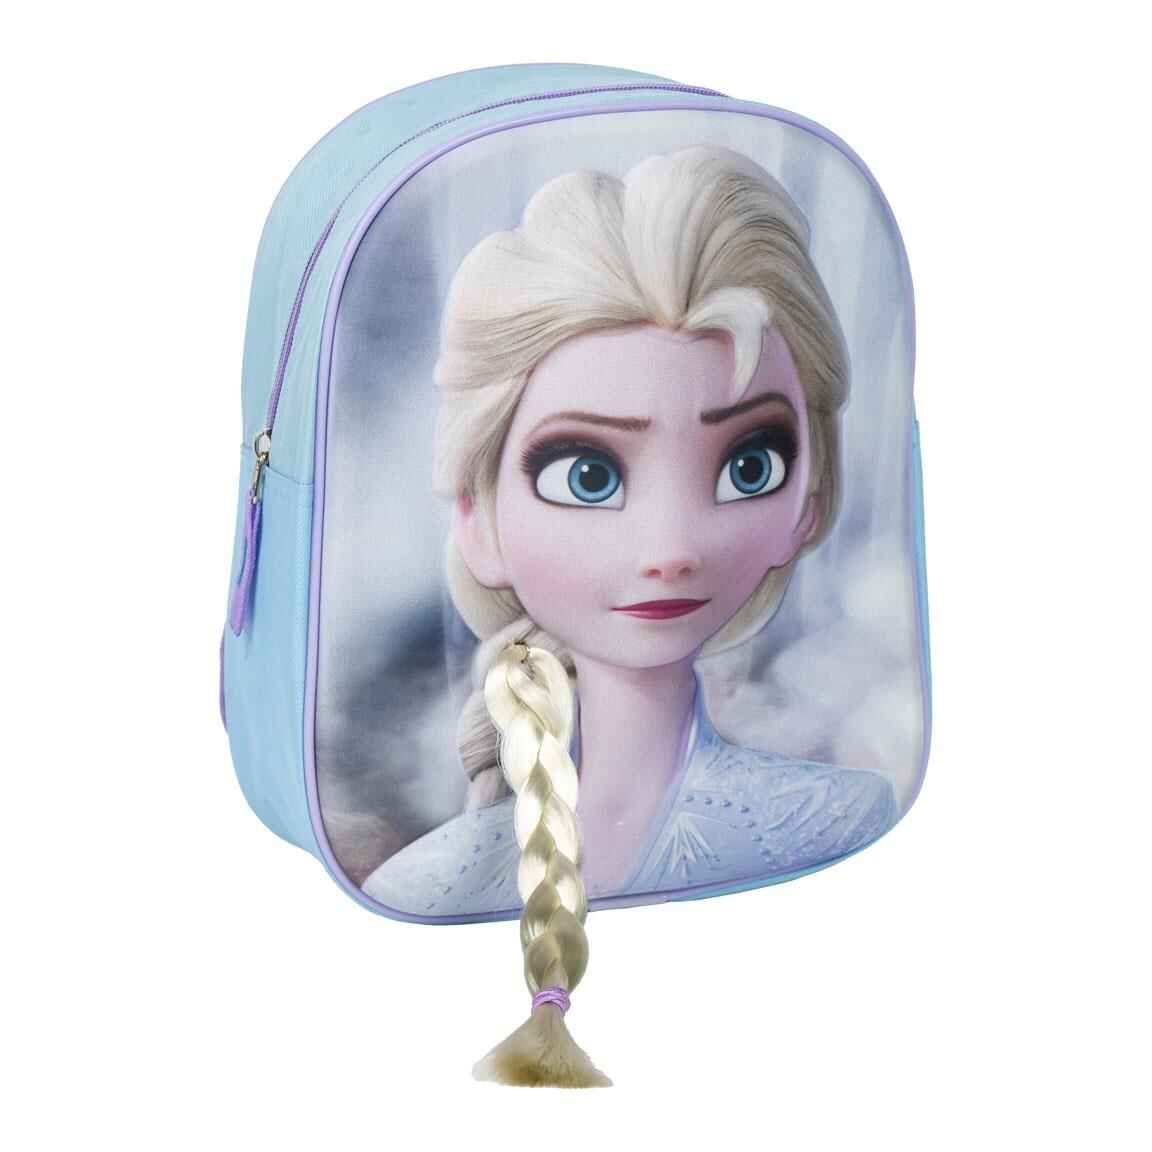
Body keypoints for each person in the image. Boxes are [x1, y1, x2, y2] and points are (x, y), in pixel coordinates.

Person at [361, 145, 897, 1084]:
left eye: (750, 464)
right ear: (477, 516)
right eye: (587, 475)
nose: (673, 545)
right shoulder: (429, 880)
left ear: (810, 500)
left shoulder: (838, 815)